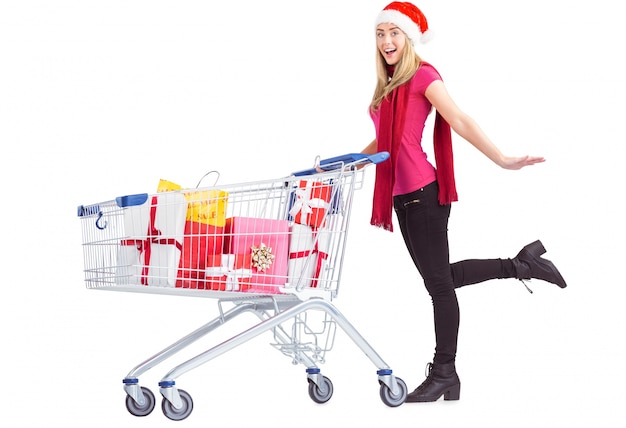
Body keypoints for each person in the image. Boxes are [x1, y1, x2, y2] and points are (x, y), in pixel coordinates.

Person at [361, 2, 567, 403]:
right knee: (441, 279)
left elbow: (459, 119)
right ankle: (523, 264)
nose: (387, 40)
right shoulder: (386, 87)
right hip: (402, 199)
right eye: (380, 33)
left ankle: (444, 372)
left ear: (409, 37)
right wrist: (348, 162)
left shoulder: (423, 75)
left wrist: (503, 159)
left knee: (439, 285)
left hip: (424, 195)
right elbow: (386, 143)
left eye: (394, 32)